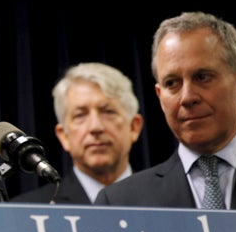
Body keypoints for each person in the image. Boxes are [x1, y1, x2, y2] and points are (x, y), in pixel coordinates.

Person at [95, 11, 236, 211]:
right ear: (159, 96)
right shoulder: (120, 203)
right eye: (172, 83)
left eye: (202, 77)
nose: (187, 97)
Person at [12, 62, 143, 204]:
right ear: (64, 136)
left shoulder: (165, 200)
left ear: (133, 127)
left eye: (108, 112)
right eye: (80, 115)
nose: (95, 127)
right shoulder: (31, 211)